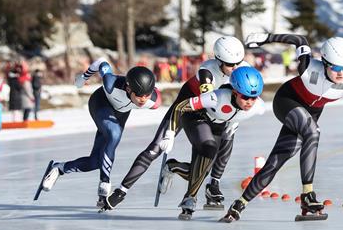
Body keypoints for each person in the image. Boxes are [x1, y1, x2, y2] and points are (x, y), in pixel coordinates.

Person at [221, 32, 343, 223]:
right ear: (325, 62)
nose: (341, 73)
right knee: (313, 131)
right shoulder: (308, 67)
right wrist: (266, 38)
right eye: (336, 67)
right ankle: (308, 195)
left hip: (306, 117)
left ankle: (238, 205)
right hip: (286, 102)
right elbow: (300, 40)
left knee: (275, 162)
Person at [100, 35, 247, 210]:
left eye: (239, 62)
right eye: (231, 65)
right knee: (156, 148)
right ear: (218, 60)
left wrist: (236, 116)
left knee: (214, 153)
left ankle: (207, 182)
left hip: (217, 110)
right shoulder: (207, 71)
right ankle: (121, 191)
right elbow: (206, 100)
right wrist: (170, 133)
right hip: (190, 103)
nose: (236, 68)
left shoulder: (244, 69)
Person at [34, 60, 161, 207]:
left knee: (95, 162)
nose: (143, 100)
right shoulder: (110, 84)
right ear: (128, 88)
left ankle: (59, 168)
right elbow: (102, 63)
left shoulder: (154, 102)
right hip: (101, 103)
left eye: (147, 95)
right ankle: (105, 183)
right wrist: (83, 78)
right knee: (114, 134)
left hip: (120, 114)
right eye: (139, 95)